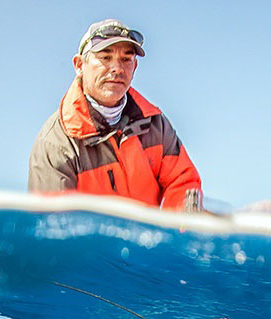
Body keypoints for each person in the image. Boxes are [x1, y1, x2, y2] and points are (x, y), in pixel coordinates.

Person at [28, 19, 202, 211]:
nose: (117, 69)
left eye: (126, 59)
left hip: (151, 239)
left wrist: (177, 234)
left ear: (134, 68)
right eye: (105, 57)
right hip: (91, 241)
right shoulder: (56, 142)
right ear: (79, 66)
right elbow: (53, 226)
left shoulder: (156, 124)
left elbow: (183, 183)